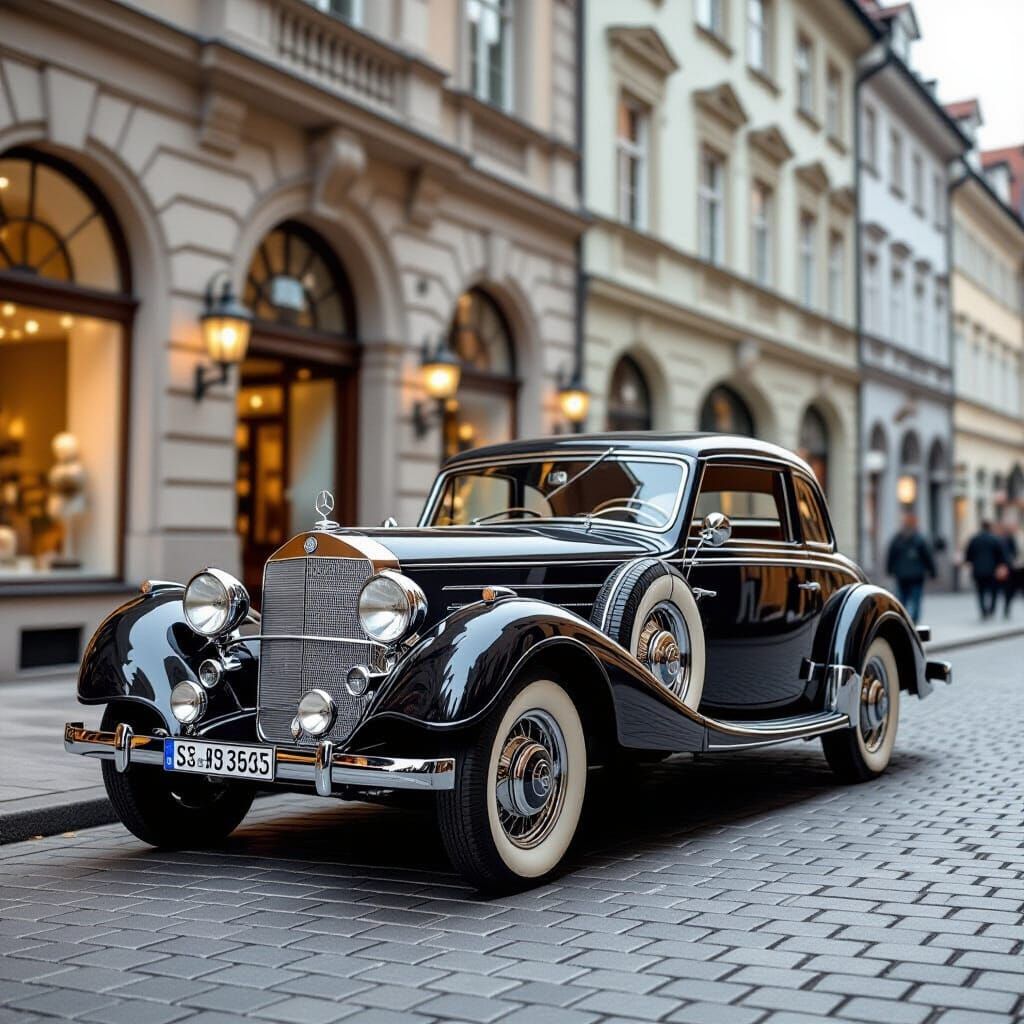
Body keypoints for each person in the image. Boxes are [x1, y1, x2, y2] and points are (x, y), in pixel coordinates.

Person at [885, 513, 935, 623]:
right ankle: (914, 620)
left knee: (903, 598)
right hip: (916, 575)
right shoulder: (919, 539)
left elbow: (891, 556)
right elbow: (927, 557)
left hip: (901, 574)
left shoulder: (897, 539)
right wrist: (932, 572)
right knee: (916, 598)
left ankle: (903, 618)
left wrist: (889, 570)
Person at [964, 520, 1008, 620]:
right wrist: (1002, 566)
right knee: (994, 591)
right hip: (992, 570)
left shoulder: (974, 539)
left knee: (980, 591)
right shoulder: (995, 539)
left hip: (978, 570)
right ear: (990, 527)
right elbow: (1001, 555)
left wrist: (970, 562)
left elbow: (968, 555)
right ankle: (991, 610)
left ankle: (983, 611)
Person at [998, 522, 1019, 618]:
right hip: (1005, 568)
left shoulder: (1010, 539)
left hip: (1009, 568)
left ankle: (1006, 607)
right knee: (1007, 589)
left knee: (1008, 589)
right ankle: (1006, 607)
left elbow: (1015, 552)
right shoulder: (998, 539)